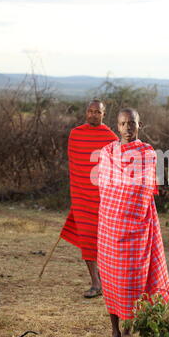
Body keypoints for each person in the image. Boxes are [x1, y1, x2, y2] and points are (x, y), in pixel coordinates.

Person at [97, 108, 169, 337]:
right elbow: (104, 188)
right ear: (116, 126)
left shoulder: (147, 153)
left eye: (132, 123)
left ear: (140, 125)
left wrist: (125, 202)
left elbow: (139, 189)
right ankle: (115, 333)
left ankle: (129, 333)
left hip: (136, 227)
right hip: (110, 226)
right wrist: (115, 206)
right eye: (123, 123)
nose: (127, 128)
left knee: (132, 280)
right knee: (109, 280)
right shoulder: (107, 152)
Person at [60, 98, 118, 298]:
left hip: (103, 199)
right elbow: (75, 166)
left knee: (103, 242)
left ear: (104, 114)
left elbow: (115, 170)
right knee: (86, 240)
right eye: (90, 111)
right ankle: (95, 283)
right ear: (86, 112)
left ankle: (107, 281)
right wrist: (76, 193)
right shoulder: (75, 135)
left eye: (98, 112)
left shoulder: (111, 138)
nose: (93, 115)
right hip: (81, 198)